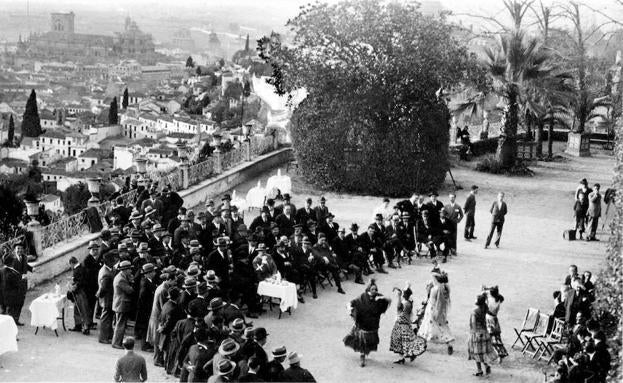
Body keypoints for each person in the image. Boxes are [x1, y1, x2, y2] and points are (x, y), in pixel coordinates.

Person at [343, 279, 391, 367]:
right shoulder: (362, 297)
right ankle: (362, 356)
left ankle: (364, 353)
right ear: (368, 290)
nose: (375, 291)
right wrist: (350, 309)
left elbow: (388, 301)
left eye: (376, 289)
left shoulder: (379, 297)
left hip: (373, 324)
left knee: (369, 341)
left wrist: (383, 298)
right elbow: (352, 303)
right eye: (372, 289)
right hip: (363, 323)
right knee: (363, 342)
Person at [418, 268, 454, 355]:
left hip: (432, 310)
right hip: (440, 311)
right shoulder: (445, 288)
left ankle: (424, 344)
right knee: (442, 326)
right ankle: (448, 343)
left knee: (427, 326)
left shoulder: (434, 289)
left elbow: (431, 301)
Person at [389, 282, 427, 364]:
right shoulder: (409, 302)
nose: (403, 294)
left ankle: (405, 356)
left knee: (399, 341)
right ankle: (406, 356)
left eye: (404, 293)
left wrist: (398, 296)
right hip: (406, 324)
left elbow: (398, 308)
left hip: (401, 324)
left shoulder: (405, 303)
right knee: (406, 341)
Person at [468, 294, 497, 377]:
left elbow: (473, 324)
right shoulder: (485, 308)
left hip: (477, 334)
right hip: (485, 333)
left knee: (476, 353)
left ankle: (479, 370)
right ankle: (487, 365)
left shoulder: (474, 312)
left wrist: (474, 333)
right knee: (483, 352)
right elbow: (491, 314)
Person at [112, 260, 135, 349]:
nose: (131, 271)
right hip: (121, 304)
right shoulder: (121, 279)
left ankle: (117, 341)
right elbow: (130, 290)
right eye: (129, 269)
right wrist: (132, 283)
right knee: (120, 325)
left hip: (120, 303)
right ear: (125, 270)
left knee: (120, 324)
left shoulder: (121, 276)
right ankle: (117, 343)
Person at [68, 256, 93, 335]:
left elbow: (79, 281)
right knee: (78, 308)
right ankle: (78, 325)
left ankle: (85, 327)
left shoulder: (77, 270)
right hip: (84, 291)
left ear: (72, 263)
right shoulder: (82, 267)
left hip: (80, 292)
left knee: (82, 309)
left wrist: (73, 287)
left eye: (70, 265)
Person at [483, 286, 508, 361]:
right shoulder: (499, 299)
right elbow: (499, 296)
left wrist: (487, 289)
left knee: (489, 338)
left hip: (488, 319)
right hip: (495, 319)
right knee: (497, 338)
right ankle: (500, 354)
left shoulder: (489, 300)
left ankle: (491, 354)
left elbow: (483, 296)